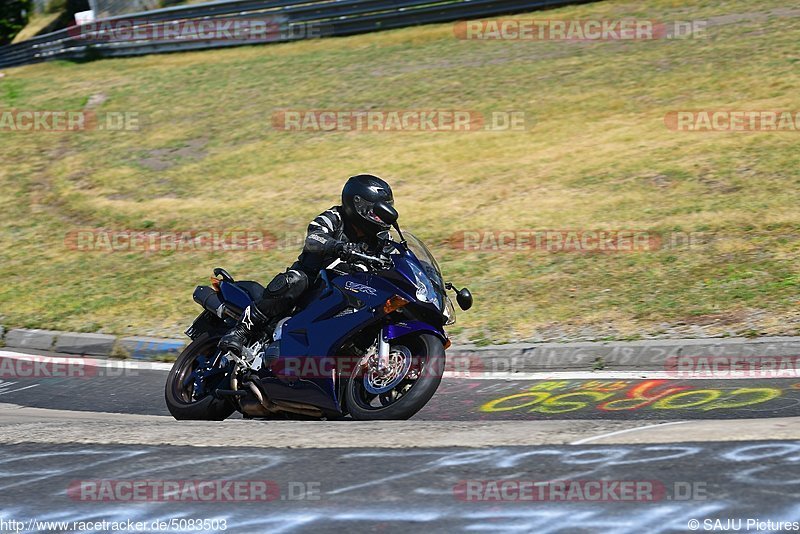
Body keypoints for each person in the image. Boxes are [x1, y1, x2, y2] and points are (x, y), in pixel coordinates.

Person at [219, 173, 394, 355]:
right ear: (358, 204)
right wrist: (338, 246)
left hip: (349, 289)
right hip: (315, 282)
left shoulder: (382, 239)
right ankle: (240, 331)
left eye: (385, 210)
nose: (381, 217)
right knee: (295, 280)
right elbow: (313, 238)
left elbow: (393, 259)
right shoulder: (334, 217)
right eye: (377, 211)